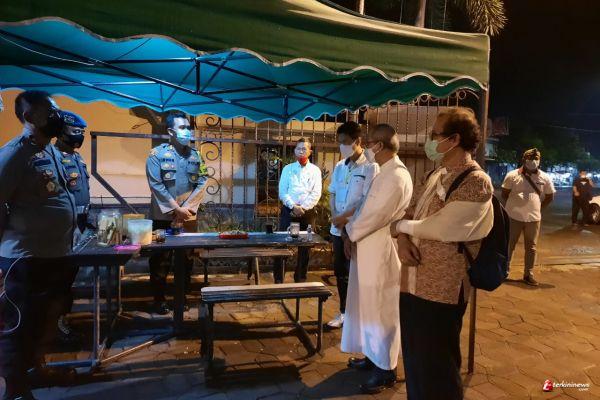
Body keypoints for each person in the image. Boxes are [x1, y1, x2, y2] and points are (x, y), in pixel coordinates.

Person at [393, 107, 494, 400]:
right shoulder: (435, 174)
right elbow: (409, 212)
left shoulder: (475, 181)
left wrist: (399, 227)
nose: (430, 140)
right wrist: (402, 238)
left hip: (442, 289)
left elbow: (442, 228)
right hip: (411, 282)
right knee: (415, 359)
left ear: (454, 139)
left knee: (438, 365)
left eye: (434, 135)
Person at [0, 90, 77, 400]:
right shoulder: (14, 155)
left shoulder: (50, 151)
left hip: (54, 254)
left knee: (45, 320)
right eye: (50, 112)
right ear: (29, 117)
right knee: (19, 325)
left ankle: (34, 370)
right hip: (26, 258)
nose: (57, 116)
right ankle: (13, 388)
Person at [338, 124, 413, 395]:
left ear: (380, 145)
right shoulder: (384, 172)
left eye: (370, 142)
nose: (367, 146)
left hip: (381, 251)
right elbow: (365, 208)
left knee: (381, 310)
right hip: (367, 248)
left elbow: (374, 215)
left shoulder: (396, 176)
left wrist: (349, 231)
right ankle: (372, 356)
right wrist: (350, 233)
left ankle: (386, 369)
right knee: (367, 307)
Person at [146, 111, 207, 315]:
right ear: (171, 131)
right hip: (163, 217)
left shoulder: (196, 156)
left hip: (188, 217)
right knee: (160, 260)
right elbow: (156, 184)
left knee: (186, 260)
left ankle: (181, 297)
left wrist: (185, 209)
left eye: (188, 127)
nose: (187, 131)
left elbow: (202, 182)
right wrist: (176, 209)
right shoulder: (156, 155)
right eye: (182, 128)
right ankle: (159, 300)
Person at [326, 122, 378, 329]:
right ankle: (344, 312)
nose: (342, 146)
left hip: (355, 230)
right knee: (340, 272)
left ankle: (359, 316)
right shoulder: (340, 166)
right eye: (339, 142)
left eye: (346, 142)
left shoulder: (370, 167)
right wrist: (335, 217)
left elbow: (366, 200)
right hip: (338, 230)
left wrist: (344, 219)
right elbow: (332, 193)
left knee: (356, 274)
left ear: (358, 141)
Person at [55, 111, 91, 343]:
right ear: (60, 132)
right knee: (59, 278)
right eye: (75, 131)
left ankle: (62, 318)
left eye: (82, 132)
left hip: (81, 222)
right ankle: (55, 324)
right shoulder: (54, 158)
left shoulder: (77, 158)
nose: (79, 136)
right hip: (64, 227)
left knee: (69, 276)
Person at [502, 148, 555, 286]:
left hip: (534, 218)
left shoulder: (545, 177)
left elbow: (550, 196)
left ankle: (528, 274)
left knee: (531, 247)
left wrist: (538, 207)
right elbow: (504, 193)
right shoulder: (512, 175)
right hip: (513, 217)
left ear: (540, 160)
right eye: (530, 158)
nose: (533, 161)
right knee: (509, 245)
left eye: (536, 159)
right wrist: (516, 205)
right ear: (524, 160)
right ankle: (504, 271)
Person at [274, 138, 322, 283]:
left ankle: (300, 277)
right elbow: (283, 191)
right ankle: (279, 279)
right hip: (289, 210)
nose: (301, 151)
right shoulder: (287, 169)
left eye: (304, 148)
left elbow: (316, 193)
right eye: (298, 148)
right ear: (295, 151)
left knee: (305, 246)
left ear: (310, 152)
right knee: (282, 243)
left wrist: (303, 208)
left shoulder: (315, 170)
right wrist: (293, 206)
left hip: (307, 213)